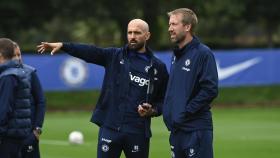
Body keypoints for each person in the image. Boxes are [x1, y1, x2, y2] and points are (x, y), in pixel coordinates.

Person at [37, 19, 169, 158]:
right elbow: (90, 52)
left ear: (147, 35)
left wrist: (152, 110)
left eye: (137, 33)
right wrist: (64, 46)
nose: (132, 36)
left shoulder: (157, 67)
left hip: (137, 131)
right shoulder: (114, 56)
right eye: (129, 32)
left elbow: (164, 100)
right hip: (110, 127)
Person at [162, 8, 219, 158]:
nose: (170, 29)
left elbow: (210, 89)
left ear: (187, 27)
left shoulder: (203, 53)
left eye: (174, 24)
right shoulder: (176, 55)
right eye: (169, 24)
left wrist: (185, 112)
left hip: (196, 130)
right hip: (177, 130)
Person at [0, 38, 32, 158]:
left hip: (8, 136)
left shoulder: (7, 76)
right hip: (16, 133)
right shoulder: (17, 72)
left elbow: (3, 110)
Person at [13, 43, 46, 158]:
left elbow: (41, 101)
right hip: (8, 137)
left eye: (19, 54)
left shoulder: (30, 73)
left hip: (29, 136)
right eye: (14, 55)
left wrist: (37, 130)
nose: (18, 58)